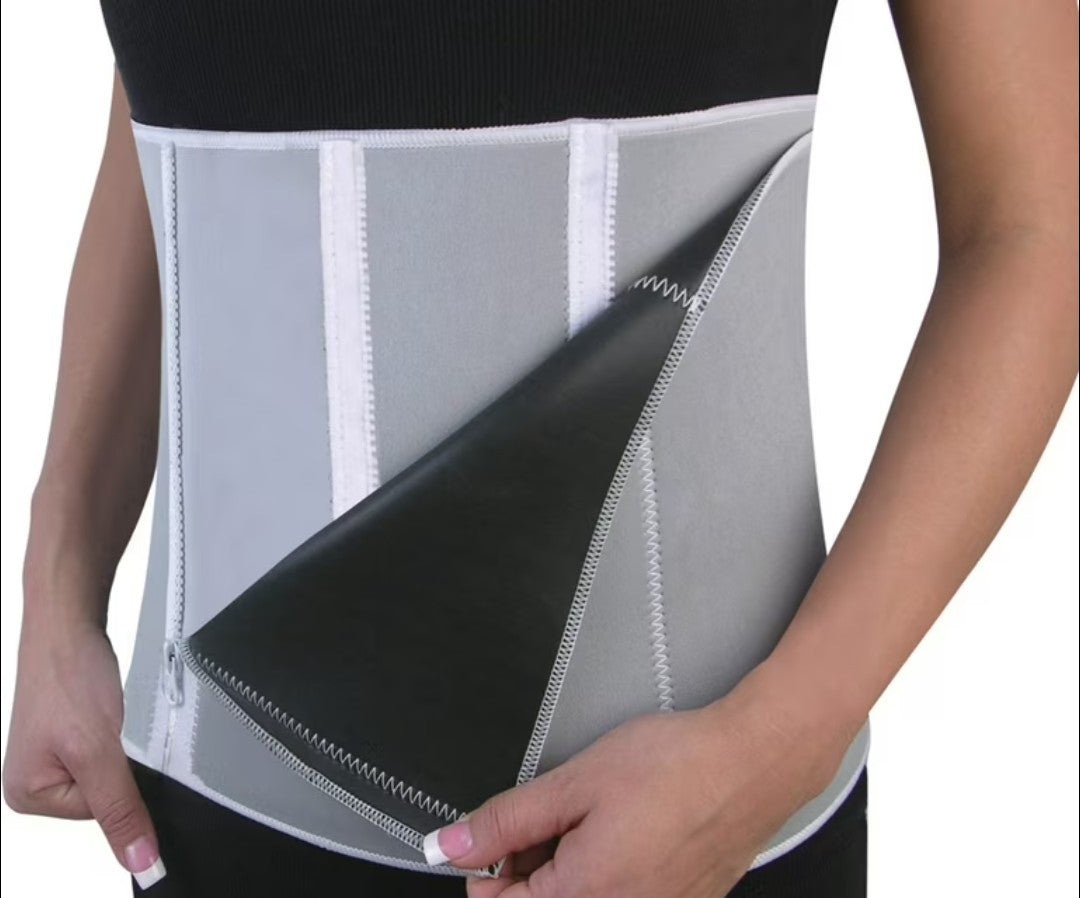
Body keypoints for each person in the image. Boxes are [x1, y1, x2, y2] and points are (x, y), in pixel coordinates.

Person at [3, 1, 1077, 896]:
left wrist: (781, 743)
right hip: (208, 808)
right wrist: (57, 576)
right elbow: (180, 107)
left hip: (689, 825)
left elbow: (1035, 225)